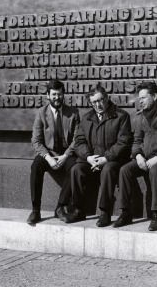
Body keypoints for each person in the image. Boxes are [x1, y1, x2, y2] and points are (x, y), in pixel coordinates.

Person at [113, 81, 157, 231]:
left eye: (144, 98)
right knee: (125, 170)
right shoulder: (139, 117)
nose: (140, 101)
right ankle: (125, 212)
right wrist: (137, 155)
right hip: (145, 158)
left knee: (155, 170)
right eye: (140, 98)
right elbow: (137, 141)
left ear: (154, 96)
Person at [66, 84, 132, 227]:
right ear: (90, 103)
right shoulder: (87, 118)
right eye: (94, 102)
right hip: (91, 159)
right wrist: (89, 157)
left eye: (100, 100)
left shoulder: (121, 116)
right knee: (76, 170)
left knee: (108, 170)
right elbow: (79, 141)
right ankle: (78, 210)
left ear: (107, 98)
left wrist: (105, 158)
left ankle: (105, 212)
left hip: (112, 159)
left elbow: (123, 142)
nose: (98, 104)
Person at [27, 80, 80, 224]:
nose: (57, 98)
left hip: (66, 153)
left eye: (60, 94)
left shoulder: (73, 113)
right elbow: (36, 141)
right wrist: (48, 158)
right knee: (36, 166)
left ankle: (60, 207)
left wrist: (66, 155)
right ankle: (35, 210)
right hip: (48, 153)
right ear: (48, 96)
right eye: (54, 95)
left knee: (75, 168)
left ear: (64, 95)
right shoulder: (41, 113)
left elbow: (77, 139)